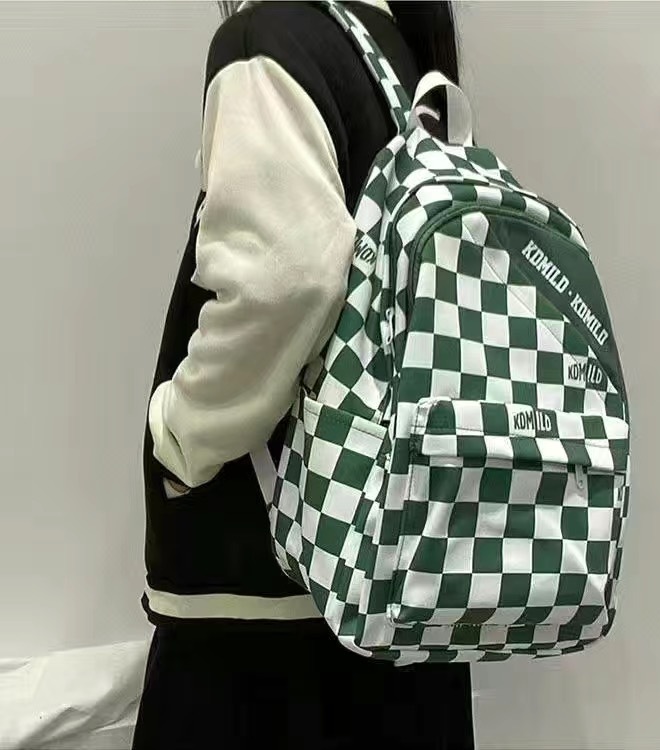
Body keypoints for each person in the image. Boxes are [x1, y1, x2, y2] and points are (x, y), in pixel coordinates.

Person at [133, 2, 474, 748]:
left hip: (262, 618)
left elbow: (284, 280)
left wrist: (179, 438)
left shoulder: (266, 42)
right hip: (402, 600)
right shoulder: (402, 62)